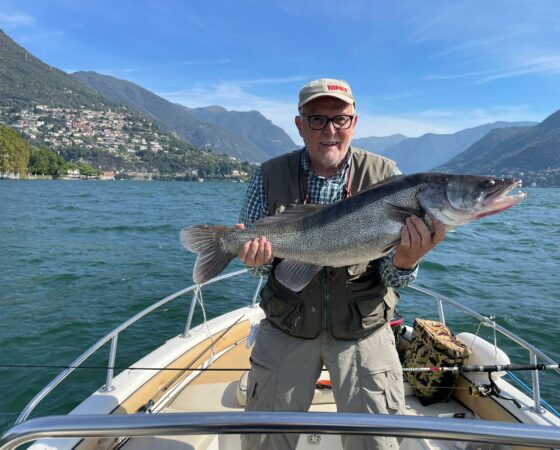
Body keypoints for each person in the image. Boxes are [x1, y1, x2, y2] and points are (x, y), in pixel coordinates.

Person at [237, 78, 446, 450]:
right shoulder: (267, 177)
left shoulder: (388, 176)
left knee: (378, 443)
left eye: (341, 119)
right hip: (287, 324)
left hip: (362, 329)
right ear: (299, 124)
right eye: (317, 119)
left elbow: (390, 277)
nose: (330, 130)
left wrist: (407, 259)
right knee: (264, 442)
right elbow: (263, 271)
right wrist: (255, 260)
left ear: (355, 122)